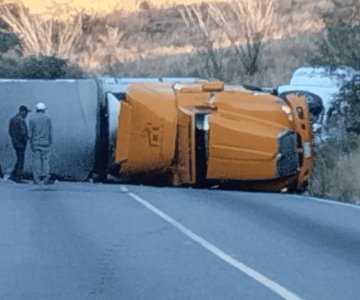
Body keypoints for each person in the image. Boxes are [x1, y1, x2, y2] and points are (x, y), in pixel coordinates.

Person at [29, 102, 53, 184]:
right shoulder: (48, 118)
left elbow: (30, 133)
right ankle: (46, 177)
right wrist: (50, 141)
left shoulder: (32, 118)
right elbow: (50, 131)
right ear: (44, 110)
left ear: (36, 109)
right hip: (45, 142)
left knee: (36, 161)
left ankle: (36, 178)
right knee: (46, 160)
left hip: (35, 142)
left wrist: (30, 142)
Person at [8, 105, 31, 183]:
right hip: (21, 143)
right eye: (26, 113)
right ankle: (17, 176)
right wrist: (27, 138)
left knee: (19, 158)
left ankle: (14, 174)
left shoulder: (12, 119)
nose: (27, 115)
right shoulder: (21, 120)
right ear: (23, 112)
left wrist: (14, 139)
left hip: (15, 142)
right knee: (21, 159)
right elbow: (23, 132)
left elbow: (10, 132)